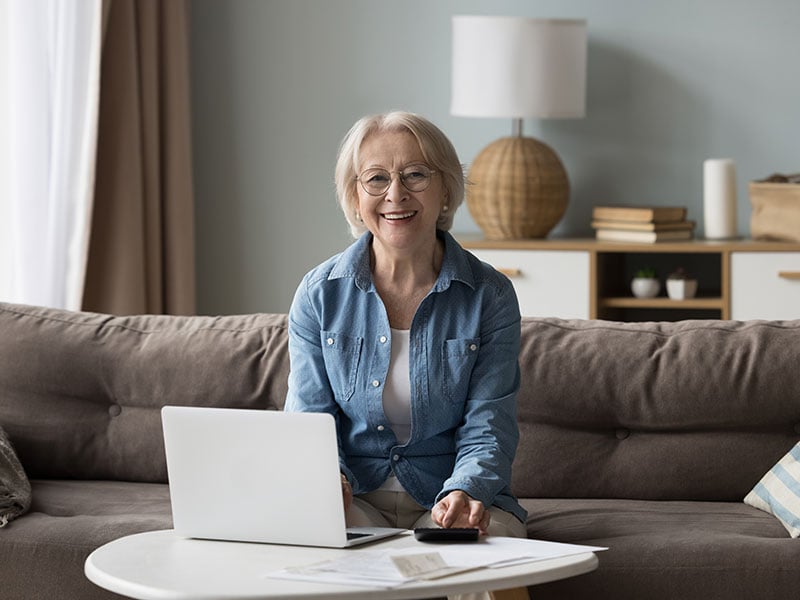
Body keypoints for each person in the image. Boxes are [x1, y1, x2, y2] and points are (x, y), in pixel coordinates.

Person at [285, 111, 527, 543]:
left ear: (446, 190)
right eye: (376, 178)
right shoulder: (318, 295)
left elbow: (490, 423)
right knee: (309, 550)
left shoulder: (489, 295)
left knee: (478, 557)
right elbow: (308, 417)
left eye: (415, 174)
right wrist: (327, 481)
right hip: (355, 498)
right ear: (355, 197)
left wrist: (466, 488)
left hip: (454, 494)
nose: (395, 194)